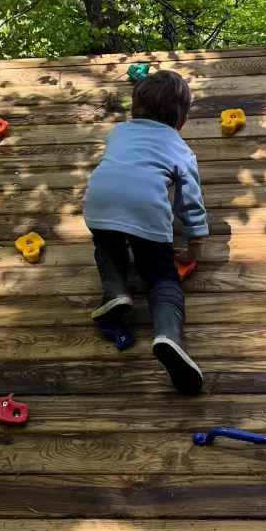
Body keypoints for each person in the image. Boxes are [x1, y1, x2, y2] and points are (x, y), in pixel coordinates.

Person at [82, 69, 208, 394]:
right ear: (182, 120)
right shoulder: (181, 149)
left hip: (99, 202)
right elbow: (190, 201)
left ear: (133, 110)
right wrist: (194, 247)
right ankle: (168, 335)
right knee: (161, 276)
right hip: (146, 210)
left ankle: (116, 291)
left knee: (108, 247)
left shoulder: (117, 132)